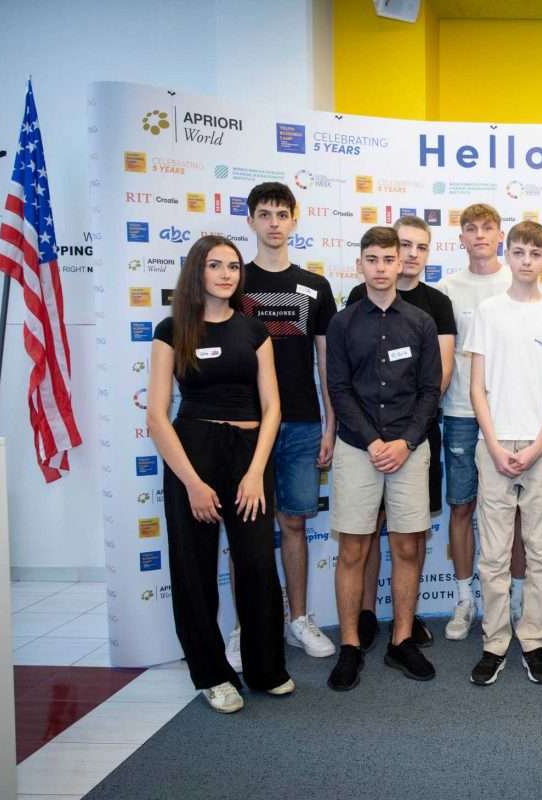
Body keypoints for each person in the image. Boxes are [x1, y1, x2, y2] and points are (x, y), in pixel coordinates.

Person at [147, 235, 293, 713]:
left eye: (233, 266)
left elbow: (272, 407)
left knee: (257, 564)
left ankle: (266, 669)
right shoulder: (172, 330)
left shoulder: (254, 331)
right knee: (194, 568)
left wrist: (255, 473)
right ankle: (212, 674)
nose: (227, 274)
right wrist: (192, 482)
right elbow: (156, 415)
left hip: (249, 455)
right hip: (193, 453)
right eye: (215, 265)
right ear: (198, 271)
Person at [325, 227, 442, 690]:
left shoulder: (421, 322)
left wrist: (405, 442)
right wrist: (373, 441)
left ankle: (402, 640)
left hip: (408, 449)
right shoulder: (342, 323)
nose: (380, 267)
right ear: (360, 264)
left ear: (401, 263)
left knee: (407, 547)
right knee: (354, 548)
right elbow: (338, 388)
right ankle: (350, 646)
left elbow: (430, 390)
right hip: (358, 448)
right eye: (371, 259)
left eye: (388, 259)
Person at [231, 182, 336, 667]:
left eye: (281, 214)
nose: (274, 223)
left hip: (301, 424)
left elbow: (325, 362)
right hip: (246, 427)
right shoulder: (235, 281)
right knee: (246, 530)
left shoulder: (315, 286)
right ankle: (247, 625)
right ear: (251, 220)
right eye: (264, 214)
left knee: (294, 522)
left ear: (295, 220)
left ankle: (298, 619)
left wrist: (330, 424)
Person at [466, 221, 542, 685]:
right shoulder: (488, 312)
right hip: (494, 444)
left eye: (535, 253)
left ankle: (533, 639)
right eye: (519, 252)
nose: (527, 261)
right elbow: (477, 387)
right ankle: (494, 641)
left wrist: (538, 444)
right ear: (507, 255)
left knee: (541, 551)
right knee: (493, 554)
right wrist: (492, 442)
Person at [346, 216, 455, 652]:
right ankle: (365, 614)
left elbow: (438, 378)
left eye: (419, 247)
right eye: (402, 246)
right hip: (364, 440)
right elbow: (346, 381)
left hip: (414, 435)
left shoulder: (434, 306)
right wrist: (373, 439)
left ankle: (404, 627)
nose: (409, 255)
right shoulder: (356, 302)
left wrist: (406, 438)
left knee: (410, 534)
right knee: (365, 530)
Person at [436, 204, 516, 640]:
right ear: (461, 238)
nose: (480, 235)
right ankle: (464, 599)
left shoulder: (518, 281)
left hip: (513, 416)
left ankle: (513, 597)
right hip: (461, 414)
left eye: (488, 228)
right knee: (462, 506)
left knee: (513, 511)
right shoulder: (447, 290)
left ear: (500, 235)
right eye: (471, 229)